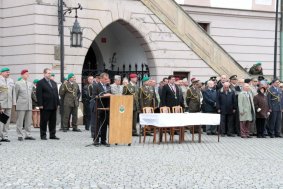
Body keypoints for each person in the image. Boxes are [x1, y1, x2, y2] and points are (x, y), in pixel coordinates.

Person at [36, 68, 60, 140]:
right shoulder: (40, 83)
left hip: (53, 105)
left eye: (50, 73)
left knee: (53, 121)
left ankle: (52, 135)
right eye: (48, 73)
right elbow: (38, 94)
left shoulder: (53, 83)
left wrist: (58, 103)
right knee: (44, 121)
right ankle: (43, 135)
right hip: (45, 105)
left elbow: (56, 94)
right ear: (44, 73)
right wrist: (40, 104)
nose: (50, 74)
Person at [15, 69, 35, 141]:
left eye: (28, 74)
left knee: (28, 121)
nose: (27, 75)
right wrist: (15, 104)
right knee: (20, 121)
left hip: (29, 104)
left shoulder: (30, 84)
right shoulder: (18, 83)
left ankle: (28, 134)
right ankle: (20, 135)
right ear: (22, 75)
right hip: (21, 104)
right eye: (26, 74)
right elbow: (16, 95)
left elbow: (32, 94)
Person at [92, 72, 111, 146]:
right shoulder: (96, 86)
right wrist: (104, 95)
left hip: (106, 108)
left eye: (107, 79)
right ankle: (96, 140)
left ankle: (103, 140)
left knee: (104, 124)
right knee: (97, 124)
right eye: (105, 79)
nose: (107, 80)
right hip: (98, 107)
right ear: (101, 78)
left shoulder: (108, 86)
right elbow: (94, 96)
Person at [0, 67, 16, 142]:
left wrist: (14, 103)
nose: (8, 73)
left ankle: (5, 136)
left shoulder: (11, 80)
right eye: (6, 72)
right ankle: (0, 136)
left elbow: (13, 92)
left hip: (9, 103)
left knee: (6, 121)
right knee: (1, 121)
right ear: (2, 73)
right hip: (1, 104)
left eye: (9, 72)